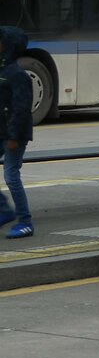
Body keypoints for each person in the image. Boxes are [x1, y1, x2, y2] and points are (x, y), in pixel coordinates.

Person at [0, 25, 34, 239]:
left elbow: (21, 108)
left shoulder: (16, 73)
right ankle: (4, 210)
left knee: (11, 175)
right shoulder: (2, 70)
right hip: (1, 131)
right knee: (11, 174)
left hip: (14, 134)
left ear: (8, 45)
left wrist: (13, 137)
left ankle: (25, 221)